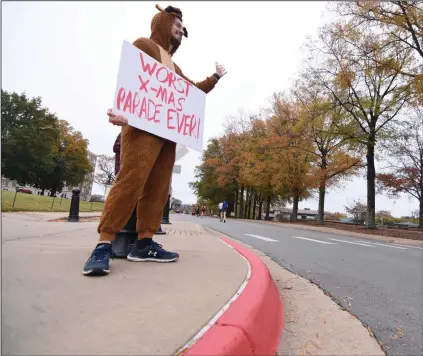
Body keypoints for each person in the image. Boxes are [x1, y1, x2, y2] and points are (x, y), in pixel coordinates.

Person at [83, 4, 227, 276]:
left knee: (159, 188)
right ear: (162, 22)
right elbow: (132, 79)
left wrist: (215, 78)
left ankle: (144, 242)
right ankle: (104, 243)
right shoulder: (144, 46)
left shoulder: (175, 66)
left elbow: (192, 93)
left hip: (167, 135)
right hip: (140, 128)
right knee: (131, 179)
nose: (181, 30)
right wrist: (123, 111)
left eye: (183, 28)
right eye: (176, 23)